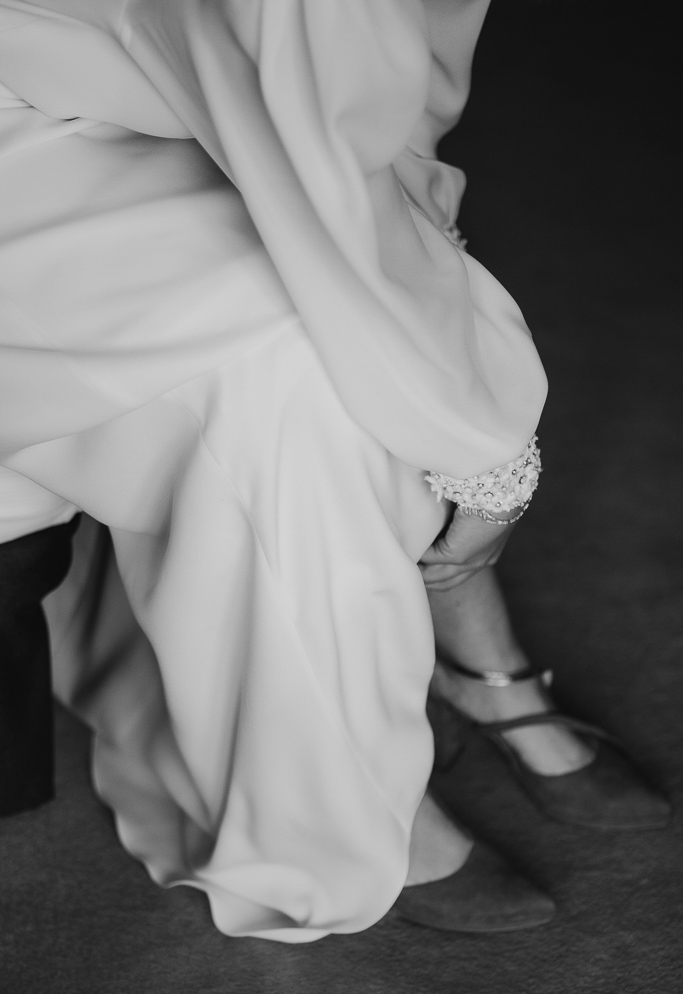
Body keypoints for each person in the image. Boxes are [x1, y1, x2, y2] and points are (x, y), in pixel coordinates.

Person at [0, 0, 666, 942]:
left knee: (375, 299)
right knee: (297, 368)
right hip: (25, 135)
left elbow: (371, 103)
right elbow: (318, 133)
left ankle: (463, 660)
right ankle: (342, 801)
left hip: (163, 107)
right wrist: (491, 465)